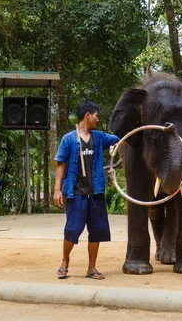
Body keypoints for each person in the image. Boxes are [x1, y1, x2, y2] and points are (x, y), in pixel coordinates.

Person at [53, 101, 120, 280]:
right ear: (87, 116)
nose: (97, 119)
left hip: (95, 192)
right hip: (76, 193)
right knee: (73, 229)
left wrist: (121, 141)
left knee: (97, 230)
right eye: (96, 116)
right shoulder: (68, 139)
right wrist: (57, 189)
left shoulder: (98, 137)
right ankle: (65, 261)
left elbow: (120, 138)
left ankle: (91, 268)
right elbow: (61, 164)